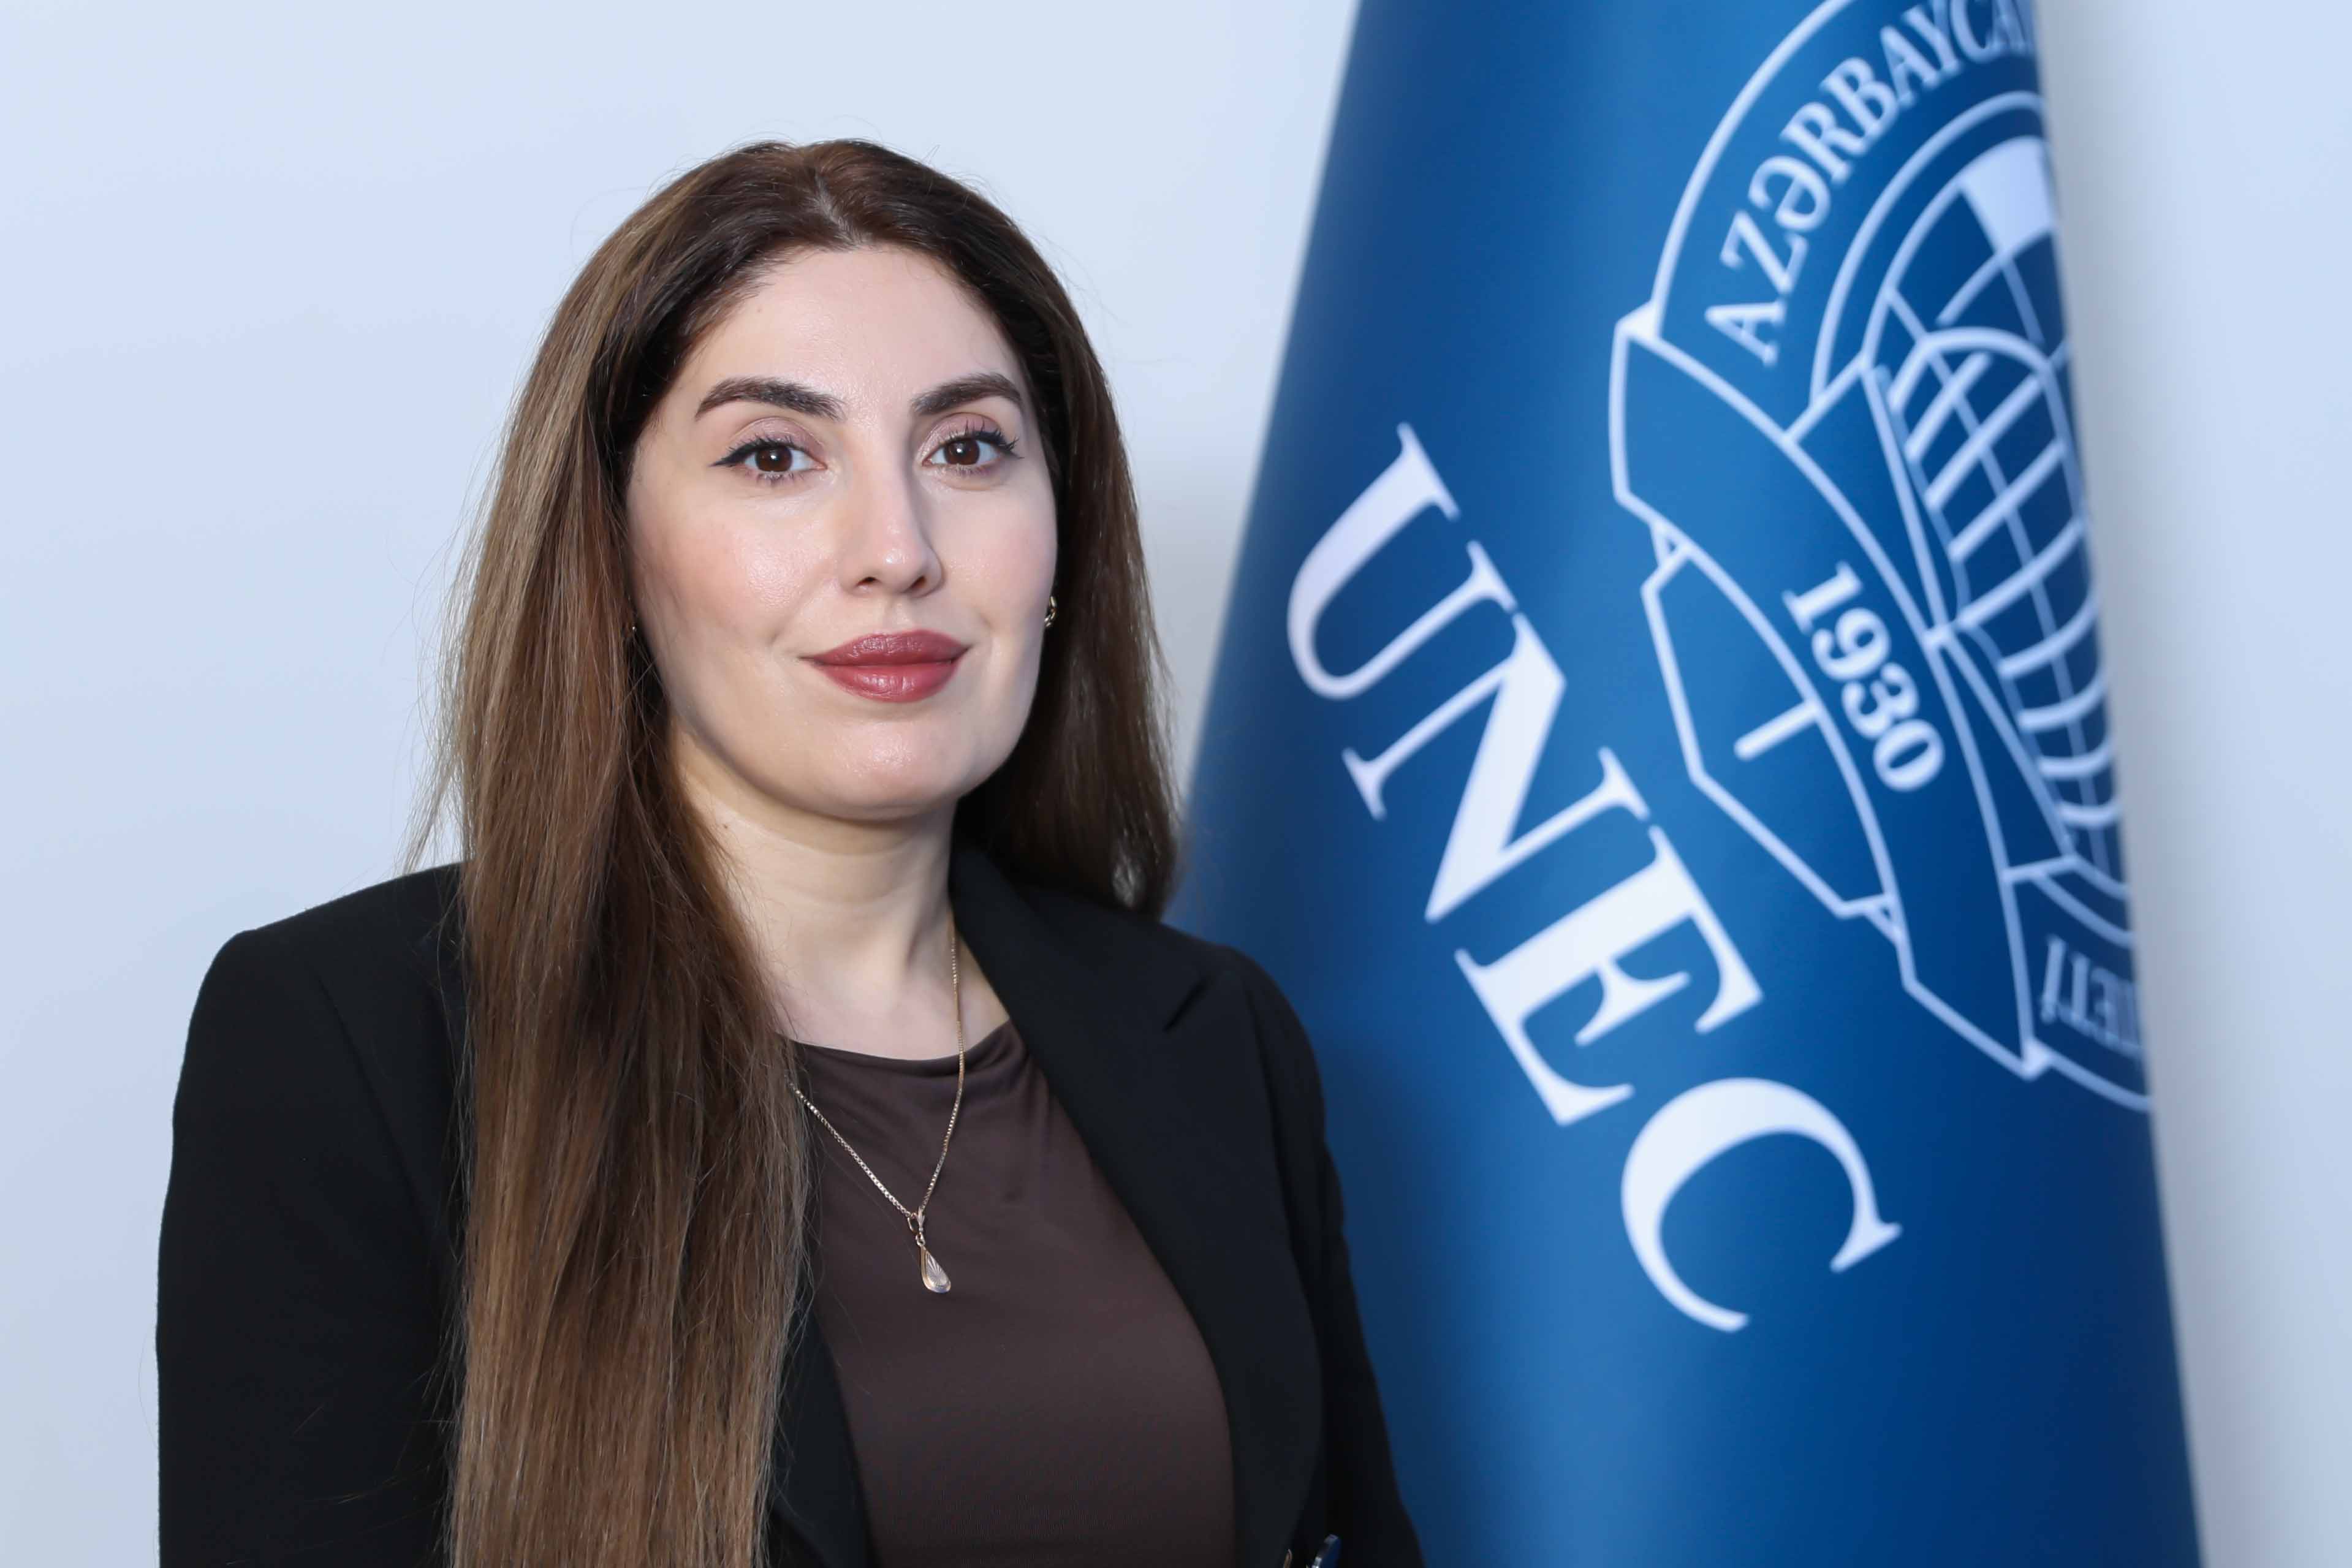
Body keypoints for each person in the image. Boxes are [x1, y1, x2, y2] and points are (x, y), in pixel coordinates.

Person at [154, 138, 1422, 1568]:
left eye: (967, 448)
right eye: (773, 454)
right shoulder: (352, 1039)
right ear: (610, 552)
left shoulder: (1217, 1036)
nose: (897, 547)